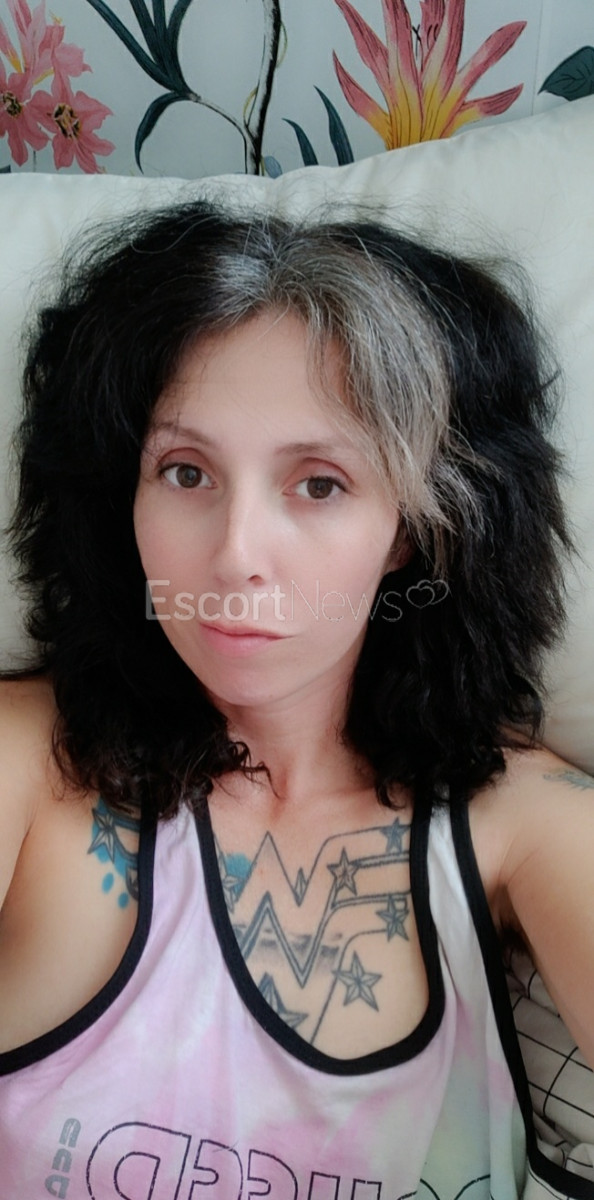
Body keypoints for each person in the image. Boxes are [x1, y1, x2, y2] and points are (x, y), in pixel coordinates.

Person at [0, 200, 592, 1199]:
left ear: (412, 528)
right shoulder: (27, 761)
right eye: (186, 471)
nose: (236, 555)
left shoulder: (528, 822)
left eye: (319, 484)